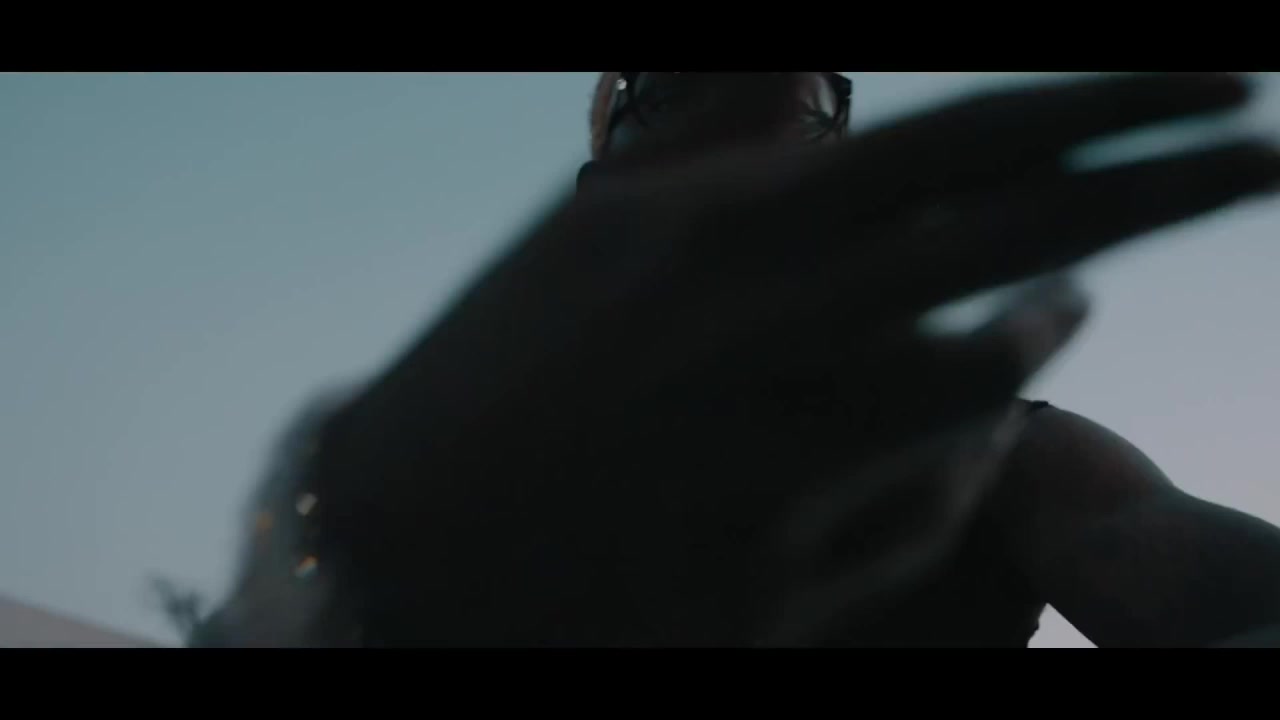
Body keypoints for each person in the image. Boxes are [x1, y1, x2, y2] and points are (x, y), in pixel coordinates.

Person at [190, 73, 1280, 647]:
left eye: (807, 112)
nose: (747, 129)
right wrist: (353, 542)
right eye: (671, 96)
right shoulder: (452, 498)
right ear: (601, 200)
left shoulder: (996, 461)